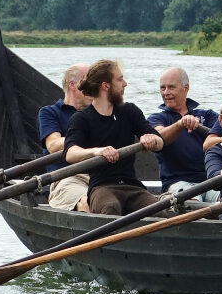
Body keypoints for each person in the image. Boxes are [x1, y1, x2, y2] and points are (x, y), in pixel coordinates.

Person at [63, 60, 168, 216]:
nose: (125, 84)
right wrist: (96, 152)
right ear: (106, 86)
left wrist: (151, 139)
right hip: (102, 187)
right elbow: (70, 153)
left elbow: (160, 143)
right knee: (110, 209)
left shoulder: (130, 111)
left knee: (160, 213)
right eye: (119, 79)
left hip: (133, 187)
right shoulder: (81, 118)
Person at [146, 67, 219, 201]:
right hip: (177, 184)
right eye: (163, 88)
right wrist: (180, 124)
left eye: (171, 87)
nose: (166, 92)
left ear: (186, 88)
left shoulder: (208, 116)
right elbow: (159, 137)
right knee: (192, 203)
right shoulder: (156, 119)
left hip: (210, 182)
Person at [37, 62, 92, 211]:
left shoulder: (99, 112)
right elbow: (53, 145)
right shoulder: (50, 112)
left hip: (101, 178)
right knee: (88, 203)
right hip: (66, 179)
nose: (94, 87)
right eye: (89, 80)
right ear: (72, 85)